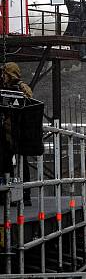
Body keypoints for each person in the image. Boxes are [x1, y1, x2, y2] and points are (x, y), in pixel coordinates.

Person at [1, 62, 33, 205]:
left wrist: (17, 87)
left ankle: (23, 195)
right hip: (7, 132)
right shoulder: (3, 87)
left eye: (5, 74)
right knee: (6, 164)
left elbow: (29, 100)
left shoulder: (22, 88)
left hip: (17, 132)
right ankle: (9, 195)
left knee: (20, 166)